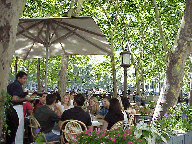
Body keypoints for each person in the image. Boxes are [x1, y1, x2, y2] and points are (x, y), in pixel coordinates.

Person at [6, 71, 32, 144]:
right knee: (17, 131)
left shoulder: (11, 85)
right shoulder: (17, 85)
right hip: (16, 109)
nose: (25, 80)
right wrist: (25, 99)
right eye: (24, 78)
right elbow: (14, 98)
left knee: (11, 131)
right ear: (18, 78)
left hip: (10, 109)